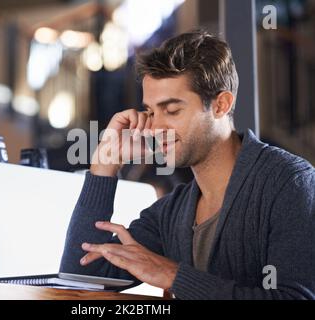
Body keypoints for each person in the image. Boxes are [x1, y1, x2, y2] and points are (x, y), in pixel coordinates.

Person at [59, 30, 315, 299]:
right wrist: (104, 166)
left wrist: (173, 275)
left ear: (221, 105)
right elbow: (79, 277)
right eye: (151, 111)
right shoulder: (171, 213)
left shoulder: (289, 184)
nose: (155, 127)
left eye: (171, 110)